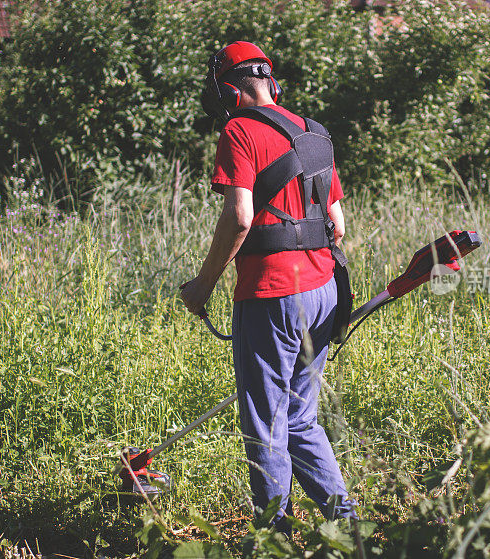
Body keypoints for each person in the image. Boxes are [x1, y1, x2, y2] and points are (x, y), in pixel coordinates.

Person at [180, 41, 356, 531]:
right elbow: (338, 227)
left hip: (272, 295)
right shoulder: (314, 133)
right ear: (270, 82)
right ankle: (345, 525)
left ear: (231, 91)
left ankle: (273, 537)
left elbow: (240, 218)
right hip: (324, 292)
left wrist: (204, 285)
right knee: (300, 418)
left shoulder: (238, 130)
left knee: (265, 425)